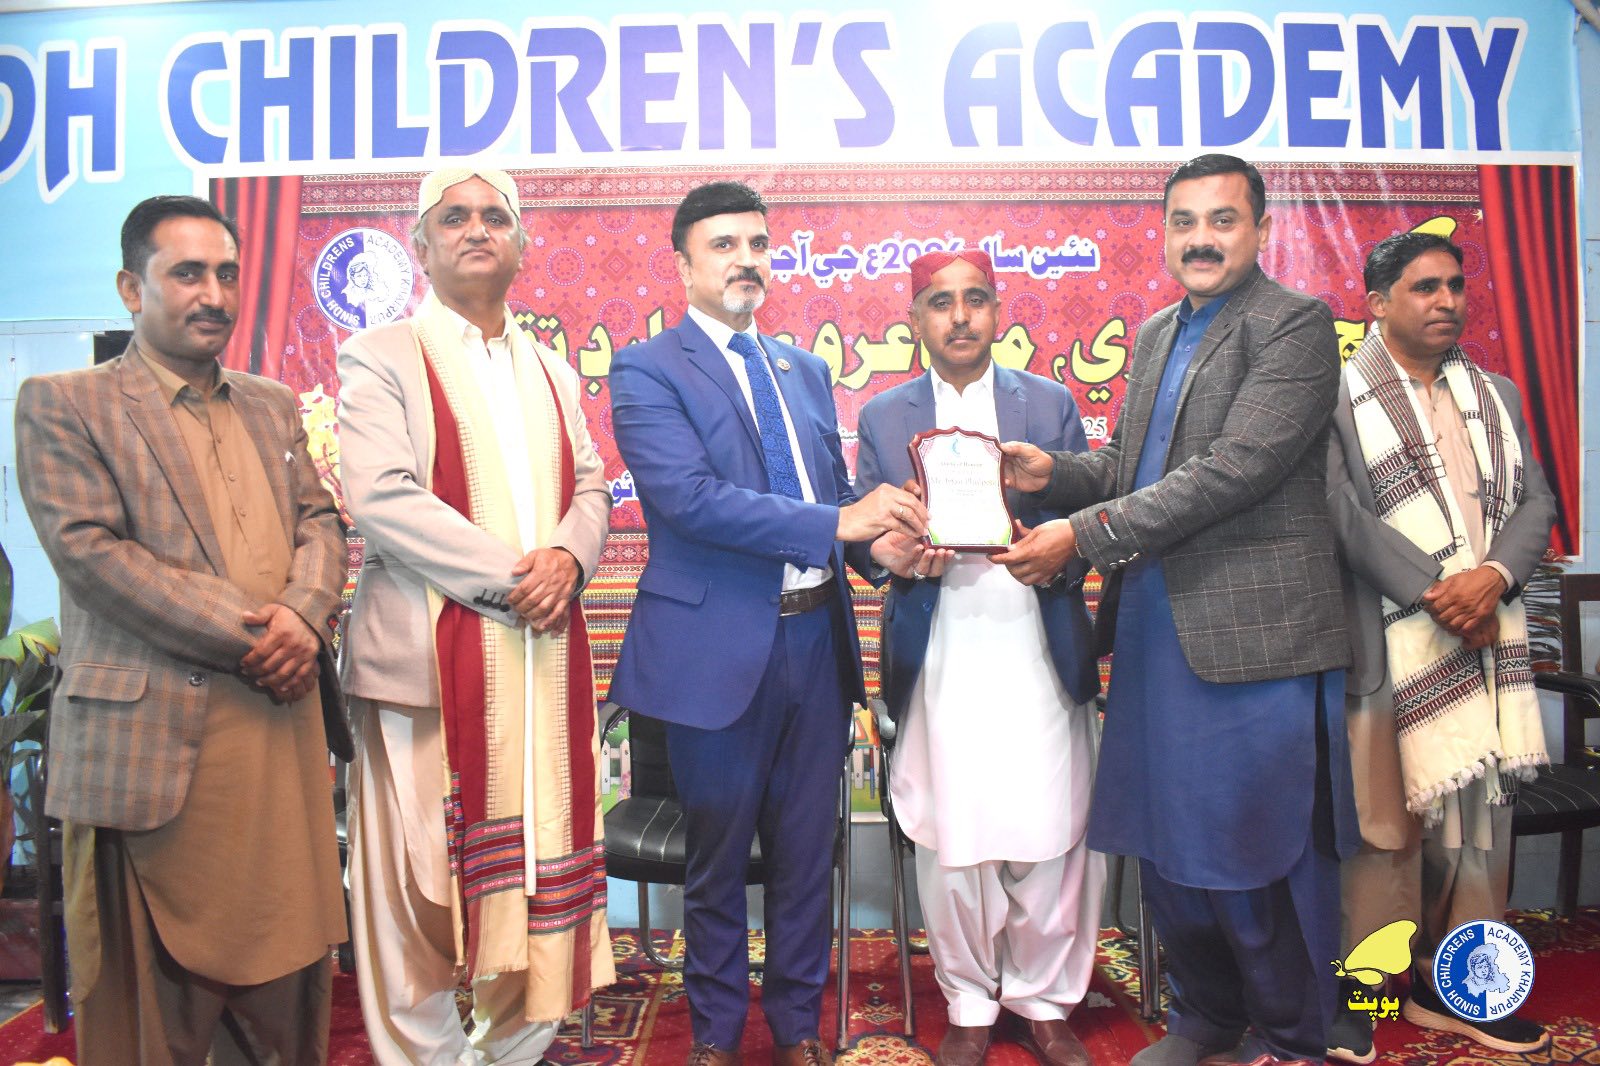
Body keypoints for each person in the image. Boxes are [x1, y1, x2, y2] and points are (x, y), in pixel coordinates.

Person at [1001, 154, 1358, 1066]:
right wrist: (1054, 475)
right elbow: (1132, 465)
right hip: (1158, 630)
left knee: (1256, 854)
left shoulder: (1295, 325)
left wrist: (1081, 534)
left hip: (1256, 642)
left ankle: (1292, 1038)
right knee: (1167, 849)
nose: (1201, 239)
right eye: (1184, 221)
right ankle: (1207, 1019)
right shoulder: (1161, 330)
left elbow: (1235, 470)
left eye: (1222, 220)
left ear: (1261, 230)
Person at [16, 194, 348, 1064]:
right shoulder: (67, 402)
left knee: (286, 991)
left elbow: (321, 522)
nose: (214, 295)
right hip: (154, 750)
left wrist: (303, 614)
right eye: (188, 274)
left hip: (276, 733)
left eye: (227, 274)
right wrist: (264, 635)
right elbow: (92, 554)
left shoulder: (272, 404)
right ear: (132, 288)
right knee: (149, 1013)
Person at [608, 180, 927, 1066]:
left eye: (757, 244)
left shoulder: (804, 370)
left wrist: (884, 551)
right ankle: (715, 1034)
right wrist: (841, 522)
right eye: (723, 245)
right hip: (714, 652)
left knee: (804, 857)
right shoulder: (647, 369)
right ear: (683, 263)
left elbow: (833, 498)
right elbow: (689, 500)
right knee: (715, 859)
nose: (746, 260)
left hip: (813, 645)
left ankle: (795, 1029)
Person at [337, 165, 615, 1066]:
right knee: (414, 892)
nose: (477, 229)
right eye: (453, 217)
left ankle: (511, 1052)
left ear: (522, 245)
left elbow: (592, 487)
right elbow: (381, 496)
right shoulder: (381, 355)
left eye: (496, 216)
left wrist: (568, 559)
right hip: (422, 671)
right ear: (420, 247)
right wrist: (519, 579)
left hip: (539, 673)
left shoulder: (553, 369)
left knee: (540, 874)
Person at [854, 249, 1103, 1066]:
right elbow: (861, 536)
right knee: (953, 833)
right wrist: (891, 554)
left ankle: (1043, 1000)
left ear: (998, 312)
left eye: (975, 300)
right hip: (942, 648)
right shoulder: (883, 416)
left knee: (1050, 827)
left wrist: (1056, 551)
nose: (959, 316)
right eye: (940, 302)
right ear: (914, 320)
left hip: (1037, 641)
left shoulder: (1050, 403)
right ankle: (966, 998)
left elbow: (1091, 511)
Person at [1326, 232, 1552, 1062]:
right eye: (1424, 287)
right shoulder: (1336, 397)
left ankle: (1462, 989)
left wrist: (1491, 578)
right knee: (1385, 826)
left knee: (1479, 823)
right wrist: (1438, 593)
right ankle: (1362, 994)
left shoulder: (1496, 394)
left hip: (1489, 637)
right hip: (1391, 643)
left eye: (1455, 285)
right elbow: (1340, 513)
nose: (1447, 301)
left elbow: (1536, 503)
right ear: (1377, 303)